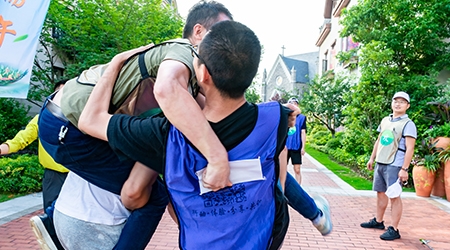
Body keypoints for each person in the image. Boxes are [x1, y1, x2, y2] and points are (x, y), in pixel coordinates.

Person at [38, 1, 234, 249]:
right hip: (68, 130)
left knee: (149, 175)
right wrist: (217, 158)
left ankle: (51, 218)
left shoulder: (188, 72)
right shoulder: (185, 50)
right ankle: (53, 224)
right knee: (153, 195)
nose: (228, 41)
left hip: (66, 122)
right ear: (198, 32)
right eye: (222, 32)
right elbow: (167, 89)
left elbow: (213, 114)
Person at [79, 20, 290, 249]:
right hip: (264, 242)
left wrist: (114, 66)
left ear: (202, 73)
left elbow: (89, 120)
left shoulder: (164, 136)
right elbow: (283, 115)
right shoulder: (275, 119)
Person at [0, 79, 67, 250]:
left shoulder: (82, 118)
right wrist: (3, 148)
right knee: (51, 219)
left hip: (80, 176)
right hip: (54, 176)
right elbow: (22, 139)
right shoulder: (42, 119)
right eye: (58, 93)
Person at [360, 91, 416, 241]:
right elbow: (379, 140)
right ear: (391, 103)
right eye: (395, 100)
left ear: (407, 106)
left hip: (395, 164)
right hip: (381, 161)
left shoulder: (408, 124)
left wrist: (404, 169)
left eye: (402, 101)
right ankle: (378, 221)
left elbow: (410, 148)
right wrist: (372, 158)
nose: (398, 104)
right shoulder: (386, 120)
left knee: (394, 196)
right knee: (380, 192)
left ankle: (394, 229)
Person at [285, 97, 307, 184]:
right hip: (285, 146)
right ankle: (282, 188)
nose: (293, 105)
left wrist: (303, 147)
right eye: (291, 103)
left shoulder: (302, 118)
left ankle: (298, 188)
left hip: (296, 146)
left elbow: (303, 132)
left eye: (295, 103)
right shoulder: (285, 116)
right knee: (282, 169)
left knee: (297, 169)